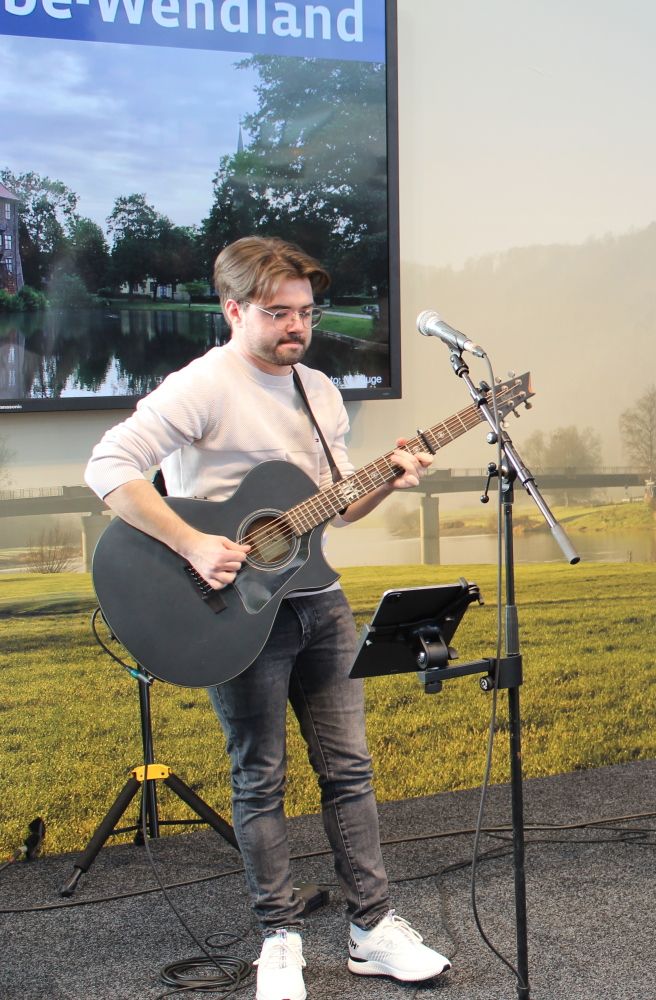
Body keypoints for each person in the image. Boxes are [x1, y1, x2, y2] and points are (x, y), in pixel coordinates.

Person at [84, 237, 450, 1000]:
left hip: (317, 600)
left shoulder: (318, 391)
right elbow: (109, 468)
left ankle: (371, 929)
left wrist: (392, 477)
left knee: (349, 769)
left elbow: (333, 512)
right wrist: (192, 542)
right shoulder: (203, 386)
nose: (297, 327)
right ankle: (278, 939)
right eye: (279, 314)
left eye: (307, 314)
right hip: (233, 611)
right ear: (233, 309)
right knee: (260, 777)